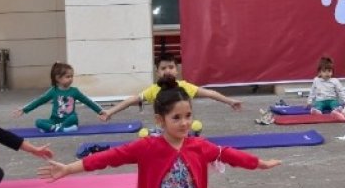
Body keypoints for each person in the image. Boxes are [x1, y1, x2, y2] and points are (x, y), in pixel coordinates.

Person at [39, 76, 281, 188]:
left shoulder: (199, 145)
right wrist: (68, 169)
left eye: (188, 116)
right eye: (176, 118)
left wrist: (259, 163)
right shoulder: (147, 146)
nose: (184, 123)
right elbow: (108, 158)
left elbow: (228, 154)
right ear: (160, 120)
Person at [100, 54, 243, 134]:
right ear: (157, 73)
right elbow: (132, 100)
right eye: (163, 68)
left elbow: (209, 93)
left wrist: (230, 101)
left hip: (182, 129)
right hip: (163, 131)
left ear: (176, 70)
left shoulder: (184, 86)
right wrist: (110, 111)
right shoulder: (153, 89)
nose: (167, 71)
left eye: (171, 67)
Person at [13, 62, 107, 133]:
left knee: (74, 117)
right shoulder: (53, 91)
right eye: (68, 76)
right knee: (38, 122)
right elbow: (39, 100)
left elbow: (88, 101)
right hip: (55, 121)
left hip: (69, 120)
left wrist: (100, 111)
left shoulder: (74, 91)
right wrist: (24, 109)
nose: (71, 78)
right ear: (58, 78)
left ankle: (54, 129)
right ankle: (61, 129)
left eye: (71, 76)